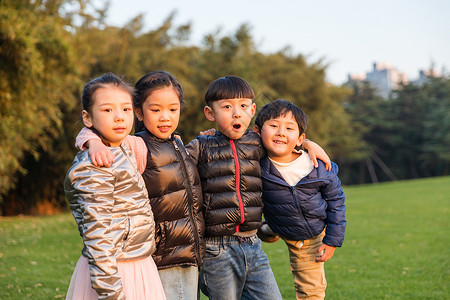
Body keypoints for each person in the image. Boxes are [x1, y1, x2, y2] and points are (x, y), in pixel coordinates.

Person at [185, 76, 330, 300]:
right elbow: (172, 166)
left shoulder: (256, 143)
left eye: (243, 106)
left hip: (252, 244)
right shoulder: (200, 146)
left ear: (252, 110)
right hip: (216, 249)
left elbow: (283, 141)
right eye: (227, 107)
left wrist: (309, 143)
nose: (236, 113)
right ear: (210, 114)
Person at [75, 71, 205, 300]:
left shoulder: (172, 144)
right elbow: (96, 131)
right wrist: (92, 142)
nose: (165, 117)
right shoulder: (137, 146)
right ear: (140, 112)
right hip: (154, 256)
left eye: (173, 109)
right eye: (156, 110)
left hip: (181, 254)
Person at [64, 73, 166, 300]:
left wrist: (92, 139)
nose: (119, 117)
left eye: (126, 109)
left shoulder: (125, 148)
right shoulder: (95, 165)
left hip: (137, 262)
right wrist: (111, 293)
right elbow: (97, 236)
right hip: (115, 272)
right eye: (108, 110)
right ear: (87, 117)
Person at [253, 99, 346, 300]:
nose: (281, 132)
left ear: (300, 138)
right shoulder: (256, 164)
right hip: (279, 219)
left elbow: (337, 203)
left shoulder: (318, 167)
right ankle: (269, 230)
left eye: (289, 128)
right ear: (257, 132)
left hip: (308, 234)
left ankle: (271, 230)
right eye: (274, 126)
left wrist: (331, 241)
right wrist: (211, 136)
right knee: (266, 229)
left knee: (310, 291)